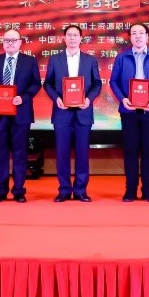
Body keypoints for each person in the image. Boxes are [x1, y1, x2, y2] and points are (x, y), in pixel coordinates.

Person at [109, 22, 149, 202]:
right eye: (134, 33)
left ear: (147, 36)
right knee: (130, 150)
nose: (138, 36)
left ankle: (148, 190)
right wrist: (123, 99)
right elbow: (113, 81)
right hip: (128, 110)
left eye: (141, 33)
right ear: (130, 37)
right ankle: (130, 190)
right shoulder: (122, 57)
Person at [43, 24, 103, 202]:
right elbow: (47, 84)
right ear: (64, 38)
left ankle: (80, 190)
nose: (72, 38)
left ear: (80, 38)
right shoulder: (55, 59)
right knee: (62, 154)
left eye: (75, 35)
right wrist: (56, 99)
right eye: (69, 35)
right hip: (62, 113)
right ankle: (64, 190)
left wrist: (89, 99)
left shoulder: (90, 60)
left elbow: (97, 84)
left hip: (83, 113)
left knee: (82, 154)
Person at [0, 28, 42, 203]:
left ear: (20, 43)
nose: (10, 43)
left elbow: (35, 84)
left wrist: (23, 97)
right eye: (7, 40)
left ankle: (19, 191)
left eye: (13, 40)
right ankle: (0, 191)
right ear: (3, 43)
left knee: (20, 154)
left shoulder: (29, 61)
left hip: (20, 114)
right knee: (0, 154)